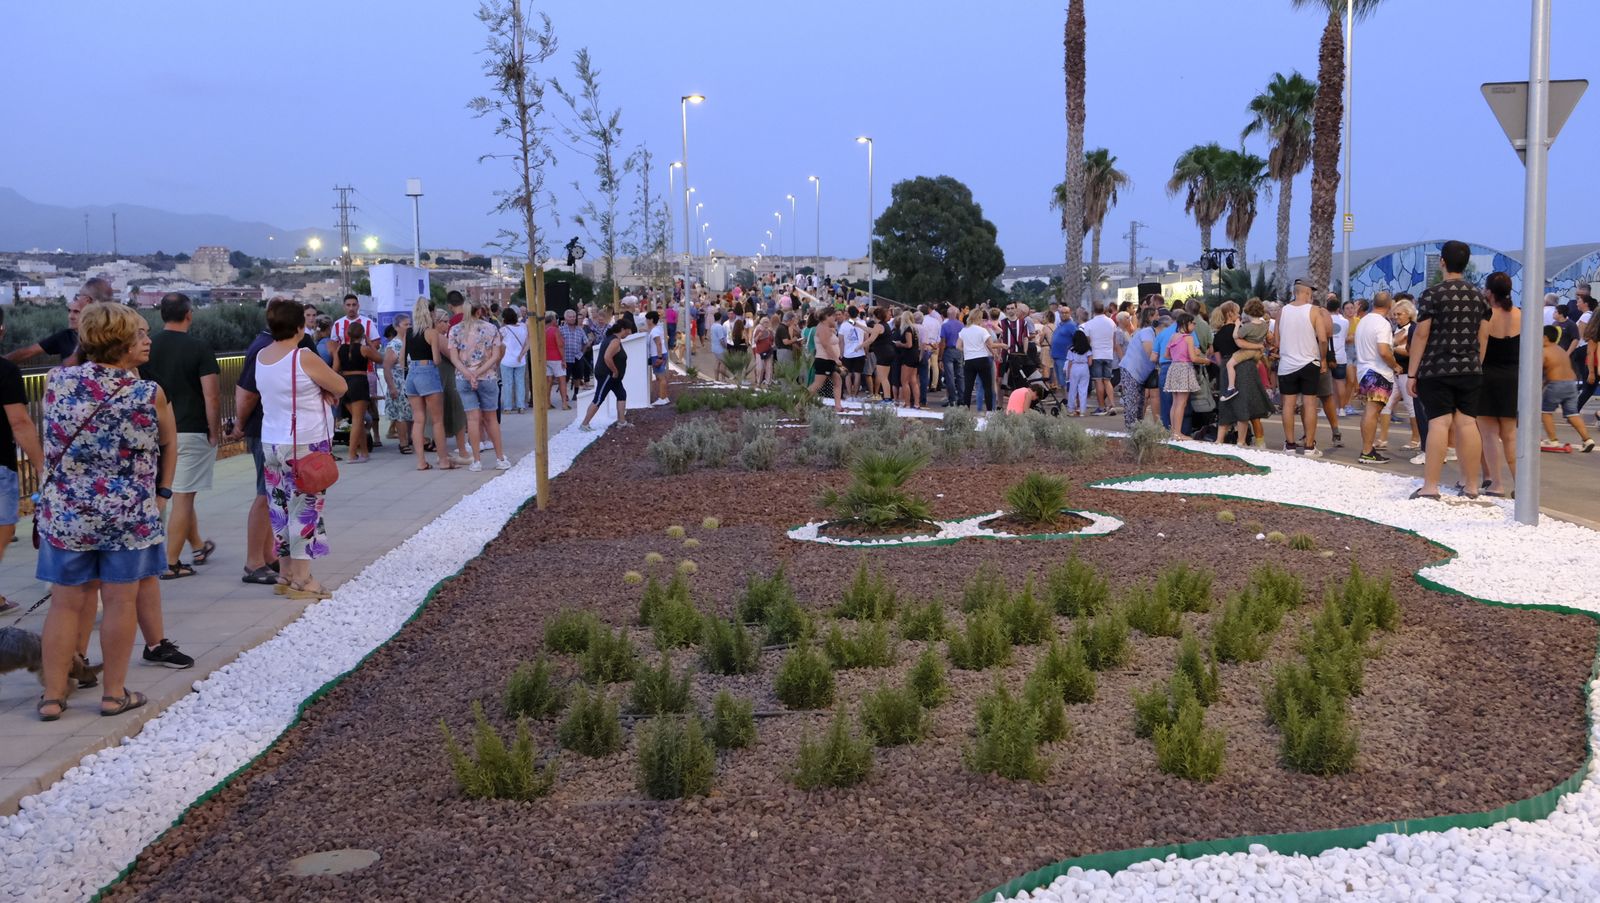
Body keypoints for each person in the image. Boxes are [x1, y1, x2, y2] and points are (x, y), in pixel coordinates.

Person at [35, 303, 177, 720]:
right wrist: (162, 492)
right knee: (120, 602)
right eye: (140, 334)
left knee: (64, 604)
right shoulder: (147, 393)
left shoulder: (55, 381)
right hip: (127, 514)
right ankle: (114, 694)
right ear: (122, 343)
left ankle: (52, 697)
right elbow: (169, 443)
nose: (147, 340)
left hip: (68, 513)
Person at [256, 299, 348, 599]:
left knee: (280, 510)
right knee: (306, 510)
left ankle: (284, 574)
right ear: (299, 327)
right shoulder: (303, 356)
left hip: (271, 442)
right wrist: (324, 389)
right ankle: (304, 579)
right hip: (305, 444)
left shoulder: (261, 357)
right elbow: (340, 386)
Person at [138, 293, 221, 579]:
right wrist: (215, 430)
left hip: (153, 432)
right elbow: (211, 395)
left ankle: (198, 545)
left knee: (182, 494)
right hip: (190, 428)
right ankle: (171, 563)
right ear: (189, 314)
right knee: (184, 498)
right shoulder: (198, 347)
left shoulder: (148, 347)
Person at [1408, 240, 1490, 500]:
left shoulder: (1433, 294)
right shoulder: (1479, 297)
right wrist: (1476, 362)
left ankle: (1430, 487)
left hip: (1436, 368)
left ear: (1442, 262)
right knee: (1467, 423)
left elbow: (1421, 335)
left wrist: (1412, 373)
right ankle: (1472, 486)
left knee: (1439, 423)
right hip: (1470, 369)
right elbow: (1483, 336)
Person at [0, 308, 44, 614]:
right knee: (2, 526)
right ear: (2, 330)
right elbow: (19, 423)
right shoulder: (4, 371)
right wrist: (42, 465)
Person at [448, 302, 511, 471]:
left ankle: (476, 461)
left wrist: (468, 374)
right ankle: (500, 458)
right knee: (491, 419)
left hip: (463, 377)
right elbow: (496, 355)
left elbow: (454, 358)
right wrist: (478, 372)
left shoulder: (454, 330)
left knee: (472, 420)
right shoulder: (491, 328)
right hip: (487, 377)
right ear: (479, 312)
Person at [1475, 273, 1519, 492]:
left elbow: (1481, 348)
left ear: (1489, 292)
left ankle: (1497, 483)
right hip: (1513, 378)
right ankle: (1521, 484)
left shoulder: (1486, 316)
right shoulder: (1522, 315)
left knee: (1489, 435)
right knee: (1510, 435)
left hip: (1488, 377)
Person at [1276, 279, 1329, 457]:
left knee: (1288, 405)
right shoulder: (1314, 311)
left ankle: (1289, 445)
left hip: (1287, 364)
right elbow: (1322, 339)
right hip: (1309, 363)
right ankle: (1309, 446)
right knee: (1310, 404)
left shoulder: (1282, 311)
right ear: (1307, 293)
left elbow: (1276, 341)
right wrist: (1323, 359)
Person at [5, 278, 109, 364]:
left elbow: (70, 364)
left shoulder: (109, 336)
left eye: (76, 312)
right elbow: (27, 352)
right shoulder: (65, 336)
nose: (71, 316)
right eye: (70, 311)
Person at [403, 299, 455, 471]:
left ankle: (421, 462)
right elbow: (437, 360)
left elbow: (401, 359)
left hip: (412, 374)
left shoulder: (408, 332)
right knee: (437, 421)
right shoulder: (431, 332)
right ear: (431, 313)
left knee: (418, 420)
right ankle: (443, 460)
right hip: (427, 372)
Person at [1353, 293, 1400, 465]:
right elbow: (1384, 350)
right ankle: (1367, 451)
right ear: (1389, 305)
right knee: (1373, 412)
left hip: (1364, 370)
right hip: (1378, 371)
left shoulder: (1364, 321)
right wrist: (1395, 365)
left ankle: (1368, 449)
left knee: (1369, 411)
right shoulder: (1382, 324)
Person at [336, 321, 384, 464]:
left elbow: (335, 368)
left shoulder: (340, 349)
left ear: (348, 334)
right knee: (358, 420)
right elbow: (380, 358)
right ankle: (352, 454)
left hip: (345, 383)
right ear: (363, 334)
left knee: (358, 419)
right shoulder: (364, 349)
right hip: (359, 382)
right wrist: (369, 343)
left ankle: (364, 452)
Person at [1541, 326, 1596, 452]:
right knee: (1572, 414)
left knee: (1545, 412)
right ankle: (1587, 440)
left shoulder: (1544, 351)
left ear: (1545, 338)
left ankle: (1553, 440)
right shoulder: (1560, 349)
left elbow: (1540, 372)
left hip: (1556, 384)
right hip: (1571, 384)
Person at [579, 317, 636, 431]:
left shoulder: (612, 338)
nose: (629, 333)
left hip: (613, 377)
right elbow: (607, 357)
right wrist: (615, 371)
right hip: (608, 374)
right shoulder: (614, 341)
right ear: (623, 329)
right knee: (599, 398)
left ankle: (622, 421)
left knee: (621, 394)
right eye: (628, 330)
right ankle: (584, 424)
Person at [1119, 306, 1160, 432]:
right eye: (1156, 315)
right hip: (1131, 371)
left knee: (1139, 403)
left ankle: (1136, 430)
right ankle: (1132, 431)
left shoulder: (1148, 332)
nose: (1158, 317)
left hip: (1137, 373)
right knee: (1133, 403)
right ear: (1150, 317)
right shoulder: (1147, 331)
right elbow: (1150, 353)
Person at [1220, 300, 1269, 402]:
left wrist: (1237, 325)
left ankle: (1231, 388)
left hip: (1247, 351)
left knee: (1230, 364)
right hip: (1258, 353)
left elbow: (1236, 336)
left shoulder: (1248, 327)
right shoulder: (1264, 325)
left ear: (1248, 312)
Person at [1163, 312, 1202, 441]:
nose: (1194, 325)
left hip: (1173, 367)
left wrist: (1179, 355)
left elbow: (1167, 355)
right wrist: (1205, 360)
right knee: (1182, 403)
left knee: (1175, 403)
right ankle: (1178, 433)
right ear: (1186, 323)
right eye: (1193, 323)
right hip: (1184, 368)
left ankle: (1173, 432)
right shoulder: (1188, 338)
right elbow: (1193, 357)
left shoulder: (1173, 337)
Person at [383, 316, 413, 454]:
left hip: (411, 382)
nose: (408, 326)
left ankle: (413, 438)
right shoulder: (394, 345)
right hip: (398, 384)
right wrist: (391, 387)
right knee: (401, 415)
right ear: (397, 327)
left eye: (409, 324)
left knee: (412, 413)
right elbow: (387, 367)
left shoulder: (411, 341)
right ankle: (403, 442)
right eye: (405, 324)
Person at [958, 310, 1000, 411]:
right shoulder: (982, 330)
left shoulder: (964, 330)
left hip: (969, 360)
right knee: (987, 386)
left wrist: (968, 350)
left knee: (968, 387)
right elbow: (991, 345)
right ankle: (989, 411)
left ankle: (965, 410)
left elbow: (958, 346)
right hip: (982, 359)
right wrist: (1002, 346)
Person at [1082, 303, 1118, 414]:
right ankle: (1112, 405)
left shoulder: (1089, 324)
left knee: (1098, 381)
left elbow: (1087, 341)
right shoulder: (1111, 322)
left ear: (1093, 310)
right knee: (1107, 380)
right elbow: (1114, 338)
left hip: (1096, 354)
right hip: (1108, 354)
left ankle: (1101, 407)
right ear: (1104, 309)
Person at [808, 308, 846, 411]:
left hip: (829, 360)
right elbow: (825, 345)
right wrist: (835, 358)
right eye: (833, 316)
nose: (835, 318)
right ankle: (800, 404)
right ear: (827, 317)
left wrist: (832, 330)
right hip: (824, 360)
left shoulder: (826, 327)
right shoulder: (822, 327)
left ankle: (838, 406)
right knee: (817, 385)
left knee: (837, 380)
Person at [500, 308, 529, 413]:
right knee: (520, 383)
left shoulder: (503, 330)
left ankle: (508, 407)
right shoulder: (523, 327)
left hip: (506, 360)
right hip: (520, 360)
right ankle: (521, 406)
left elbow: (500, 345)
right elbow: (528, 343)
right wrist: (522, 355)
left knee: (507, 384)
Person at [894, 311, 921, 409]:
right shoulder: (915, 329)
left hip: (908, 356)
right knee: (913, 381)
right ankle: (917, 403)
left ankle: (907, 403)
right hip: (915, 356)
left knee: (904, 381)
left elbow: (909, 345)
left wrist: (899, 344)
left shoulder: (908, 329)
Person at [940, 304, 964, 406]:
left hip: (949, 351)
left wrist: (940, 357)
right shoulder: (961, 325)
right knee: (960, 376)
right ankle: (962, 398)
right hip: (959, 351)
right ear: (957, 314)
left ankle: (952, 399)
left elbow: (943, 342)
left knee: (949, 376)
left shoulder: (945, 326)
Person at [1064, 329, 1092, 416]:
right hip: (1084, 367)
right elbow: (1090, 363)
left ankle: (1071, 409)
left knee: (1072, 389)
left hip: (1075, 367)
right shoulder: (1088, 349)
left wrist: (1068, 375)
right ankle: (1082, 411)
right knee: (1083, 390)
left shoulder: (1071, 349)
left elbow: (1070, 363)